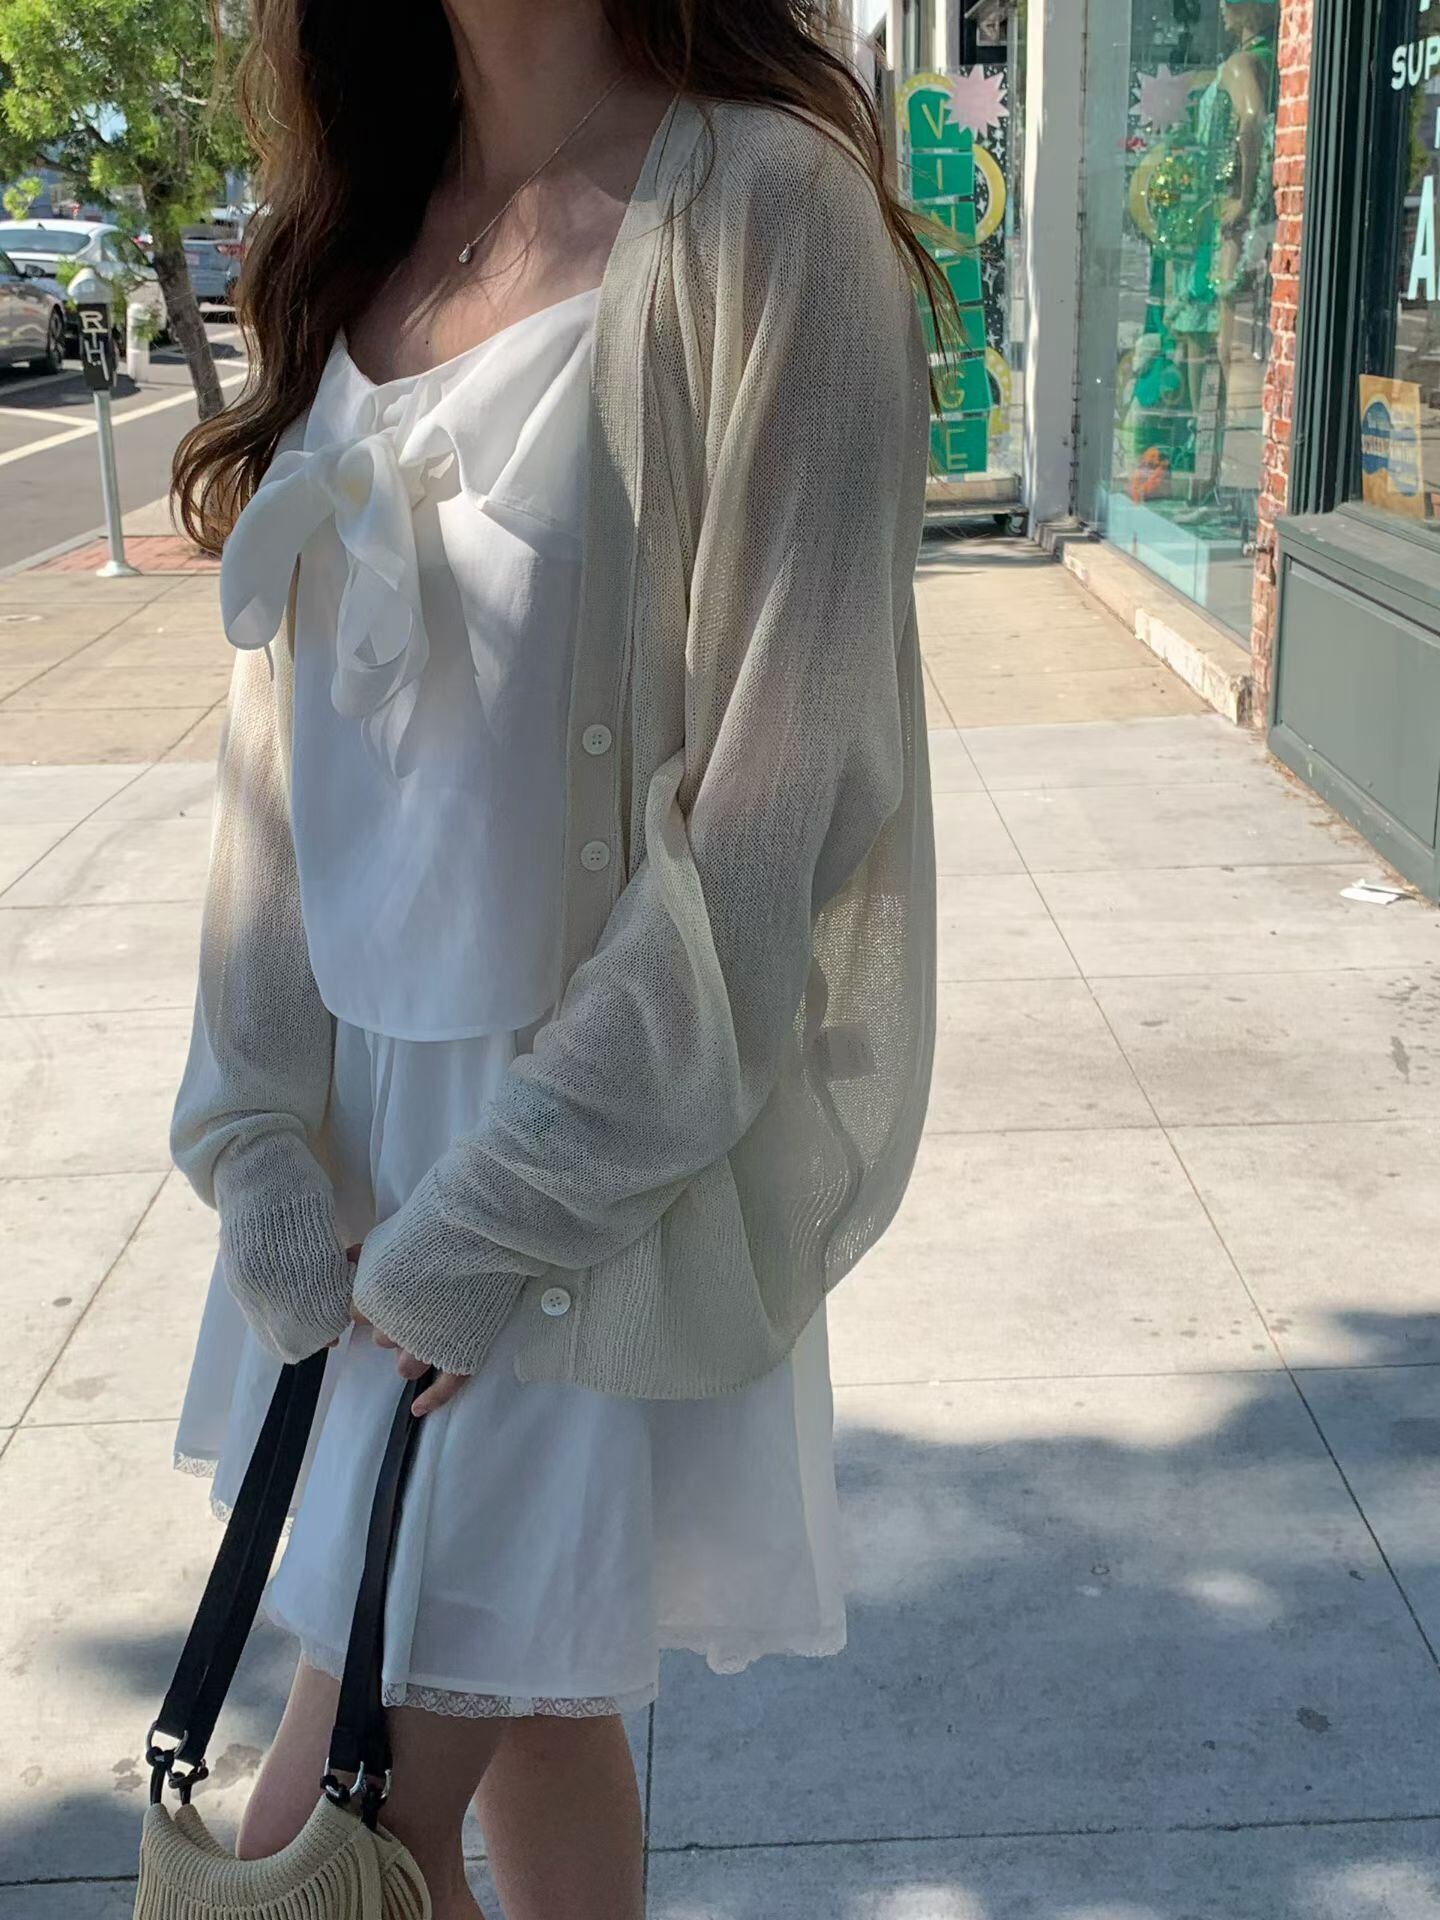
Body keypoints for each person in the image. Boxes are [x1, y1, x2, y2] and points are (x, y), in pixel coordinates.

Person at [168, 1, 937, 1914]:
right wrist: (253, 1132)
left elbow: (773, 820)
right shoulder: (358, 224)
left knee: (311, 1843)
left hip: (574, 1181)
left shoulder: (773, 218)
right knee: (530, 1728)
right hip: (360, 1173)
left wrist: (503, 1218)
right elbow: (276, 774)